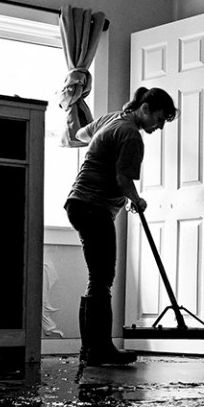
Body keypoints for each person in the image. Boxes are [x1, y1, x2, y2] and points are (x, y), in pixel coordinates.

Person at [65, 86, 177, 366]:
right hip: (94, 206)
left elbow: (80, 134)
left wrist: (100, 148)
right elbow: (122, 179)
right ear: (146, 109)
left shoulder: (112, 119)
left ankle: (91, 349)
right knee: (102, 279)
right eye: (160, 119)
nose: (160, 126)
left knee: (97, 278)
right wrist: (136, 199)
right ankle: (99, 350)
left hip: (79, 202)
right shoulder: (131, 135)